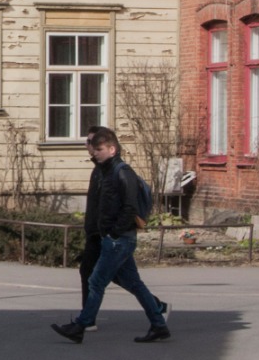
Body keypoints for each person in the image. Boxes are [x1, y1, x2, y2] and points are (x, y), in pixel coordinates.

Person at [51, 126, 170, 343]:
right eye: (93, 148)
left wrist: (114, 233)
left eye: (99, 149)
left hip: (119, 239)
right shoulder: (104, 171)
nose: (94, 152)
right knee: (134, 284)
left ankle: (81, 326)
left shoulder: (122, 172)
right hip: (114, 238)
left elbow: (130, 207)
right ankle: (159, 324)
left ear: (112, 149)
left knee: (96, 281)